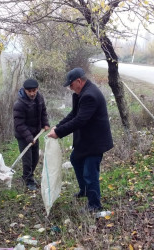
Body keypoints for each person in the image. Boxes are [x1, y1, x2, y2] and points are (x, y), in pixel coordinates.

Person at [47, 68, 113, 211]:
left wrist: (58, 132)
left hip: (95, 141)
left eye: (71, 85)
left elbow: (80, 120)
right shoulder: (82, 93)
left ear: (79, 81)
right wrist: (58, 126)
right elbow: (74, 114)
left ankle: (95, 205)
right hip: (86, 139)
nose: (71, 89)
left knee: (90, 172)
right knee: (75, 159)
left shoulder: (90, 95)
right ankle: (85, 190)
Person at [13, 78, 50, 191]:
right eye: (30, 91)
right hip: (23, 136)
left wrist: (45, 123)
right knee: (27, 160)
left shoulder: (39, 97)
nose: (32, 93)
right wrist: (29, 137)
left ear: (37, 89)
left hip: (36, 133)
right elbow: (19, 124)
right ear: (25, 90)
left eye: (34, 90)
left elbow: (43, 111)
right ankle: (28, 180)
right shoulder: (19, 104)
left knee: (35, 158)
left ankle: (29, 176)